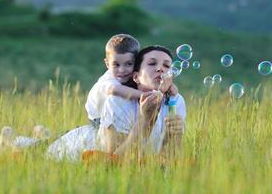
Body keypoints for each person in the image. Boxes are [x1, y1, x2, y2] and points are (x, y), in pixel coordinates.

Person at [46, 45, 186, 161]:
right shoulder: (118, 102)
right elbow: (116, 161)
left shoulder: (176, 101)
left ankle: (43, 134)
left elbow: (168, 159)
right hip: (71, 152)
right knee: (34, 147)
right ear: (136, 77)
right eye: (152, 63)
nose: (160, 69)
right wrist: (145, 120)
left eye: (167, 65)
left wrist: (175, 135)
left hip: (139, 162)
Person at [85, 33, 143, 128]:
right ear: (107, 64)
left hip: (115, 114)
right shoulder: (109, 79)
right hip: (98, 119)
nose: (122, 70)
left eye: (128, 64)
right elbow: (114, 90)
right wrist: (144, 95)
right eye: (116, 65)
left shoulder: (134, 74)